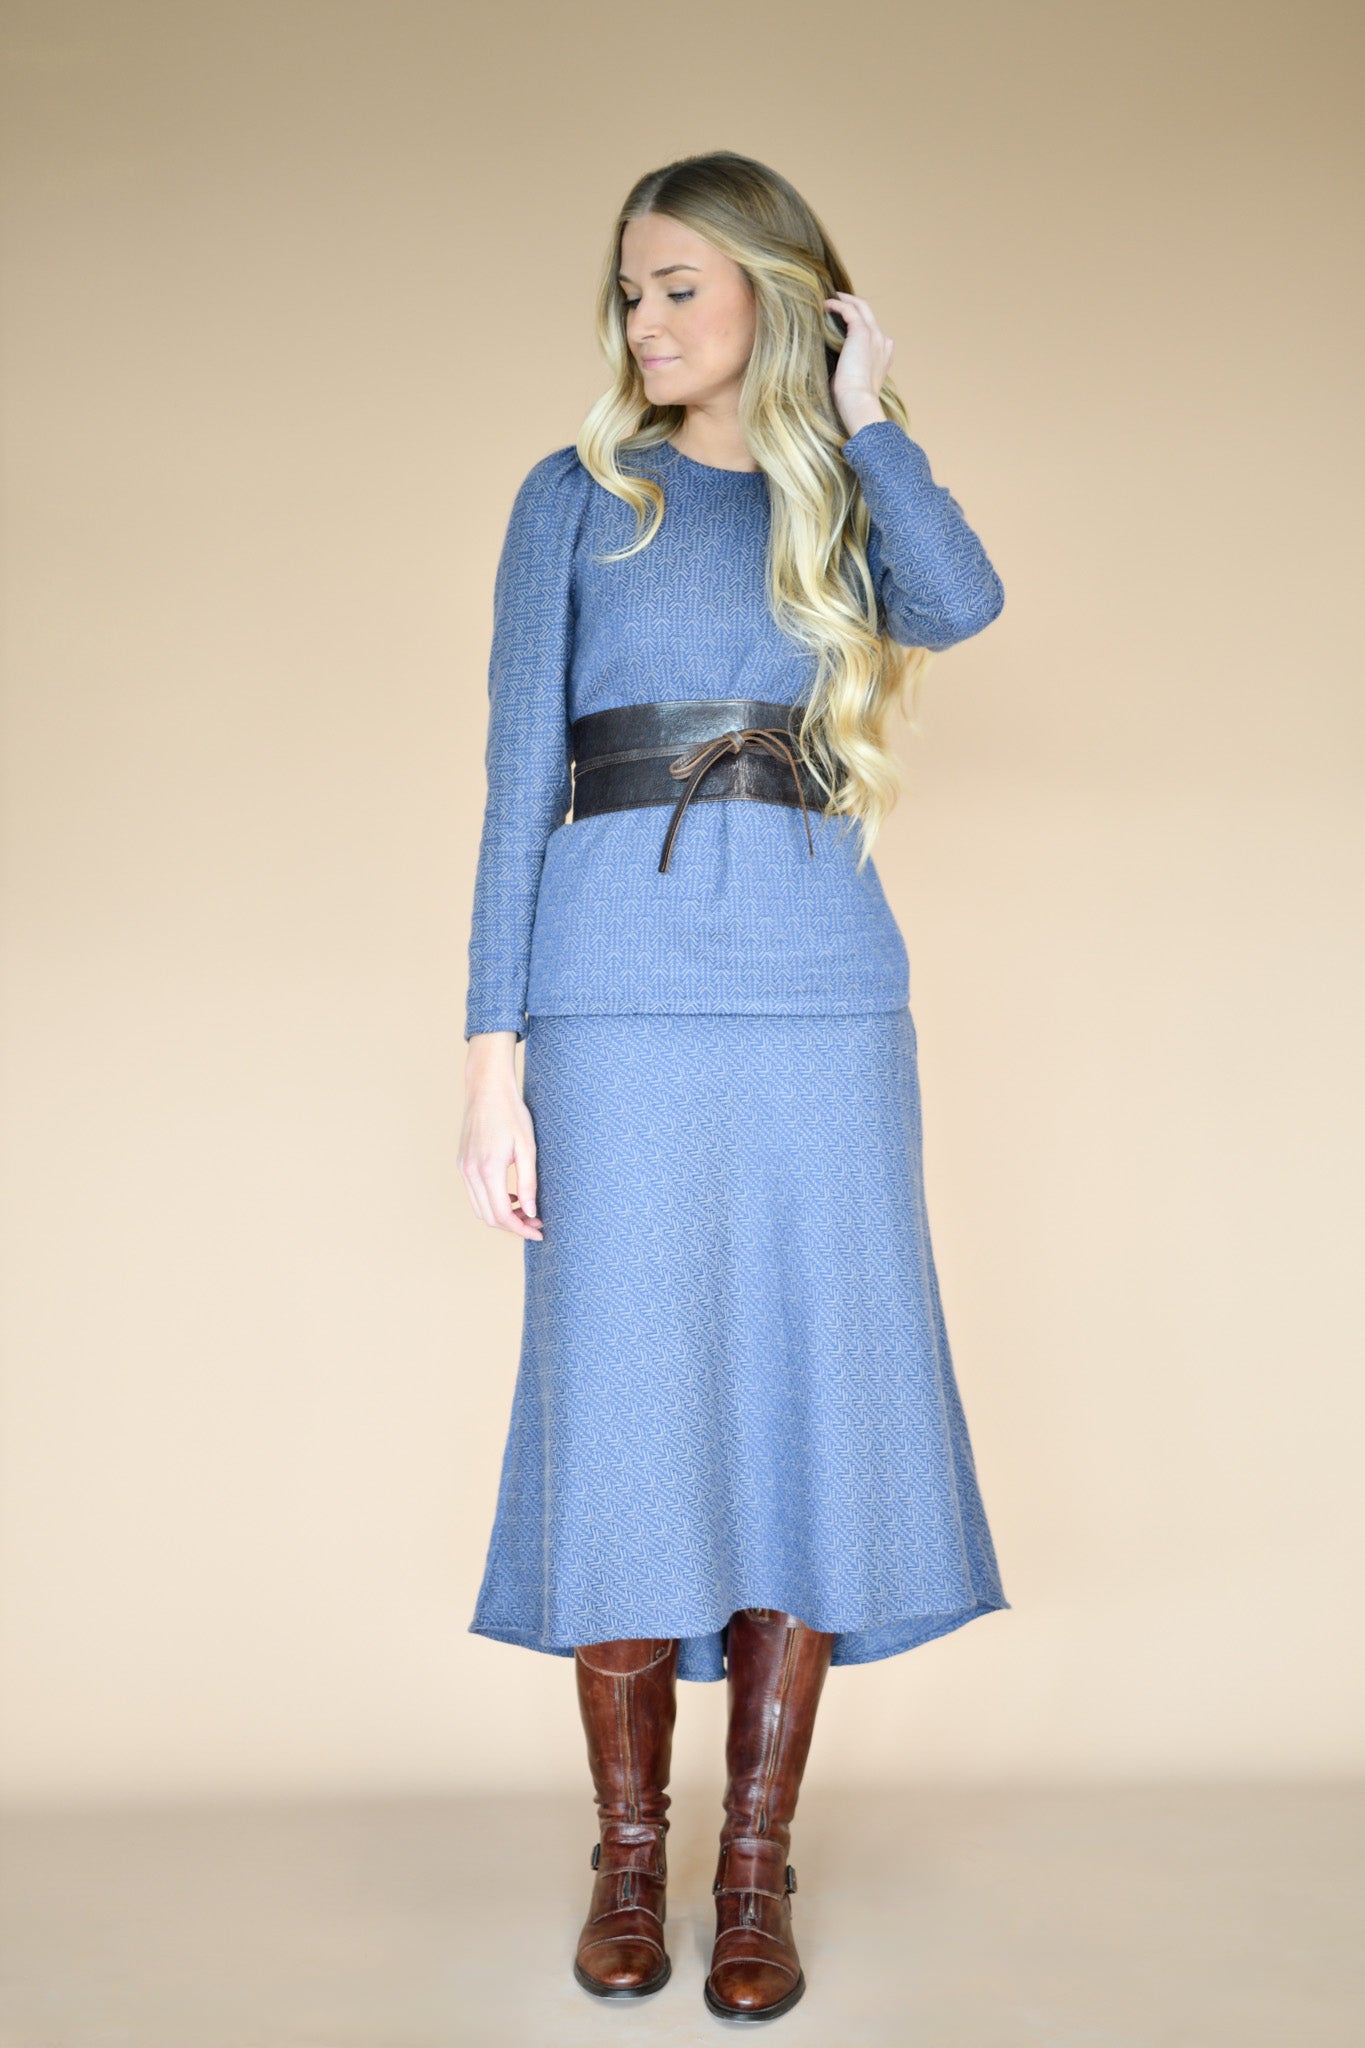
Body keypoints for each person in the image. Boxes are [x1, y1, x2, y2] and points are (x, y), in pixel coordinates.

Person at [459, 149, 1010, 2025]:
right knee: (625, 1399)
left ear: (776, 293)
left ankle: (753, 1875)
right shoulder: (571, 497)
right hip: (610, 992)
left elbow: (960, 604)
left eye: (679, 285)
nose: (644, 321)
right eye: (629, 291)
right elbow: (512, 782)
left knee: (808, 1404)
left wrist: (866, 414)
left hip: (822, 993)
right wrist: (491, 1056)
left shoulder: (837, 492)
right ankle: (628, 1861)